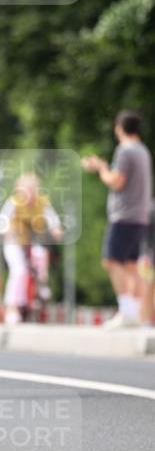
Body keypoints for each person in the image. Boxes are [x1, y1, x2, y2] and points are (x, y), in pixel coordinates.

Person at [82, 110, 153, 329]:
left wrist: (101, 168)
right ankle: (136, 313)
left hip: (124, 215)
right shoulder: (143, 151)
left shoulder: (124, 150)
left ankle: (127, 311)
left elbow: (117, 181)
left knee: (112, 261)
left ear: (119, 128)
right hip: (141, 216)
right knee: (132, 265)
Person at [0, 173, 63, 324]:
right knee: (19, 271)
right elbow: (0, 223)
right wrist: (7, 230)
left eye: (33, 190)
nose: (30, 194)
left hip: (32, 240)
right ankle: (12, 308)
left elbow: (52, 219)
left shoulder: (42, 202)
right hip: (14, 243)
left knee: (41, 254)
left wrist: (56, 229)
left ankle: (41, 285)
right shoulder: (13, 202)